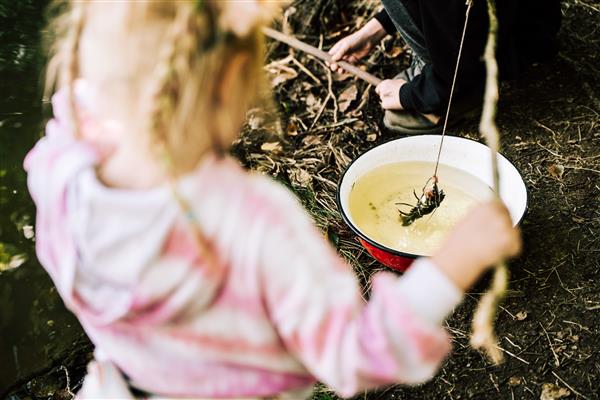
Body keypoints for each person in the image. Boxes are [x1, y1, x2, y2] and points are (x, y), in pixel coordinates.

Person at [25, 1, 521, 398]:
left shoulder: (57, 170)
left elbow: (81, 104)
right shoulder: (255, 222)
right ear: (234, 84)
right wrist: (454, 263)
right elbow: (358, 353)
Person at [329, 0, 561, 135]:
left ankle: (465, 96)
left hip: (511, 42)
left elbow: (467, 55)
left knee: (405, 110)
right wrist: (374, 31)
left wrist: (413, 94)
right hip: (507, 20)